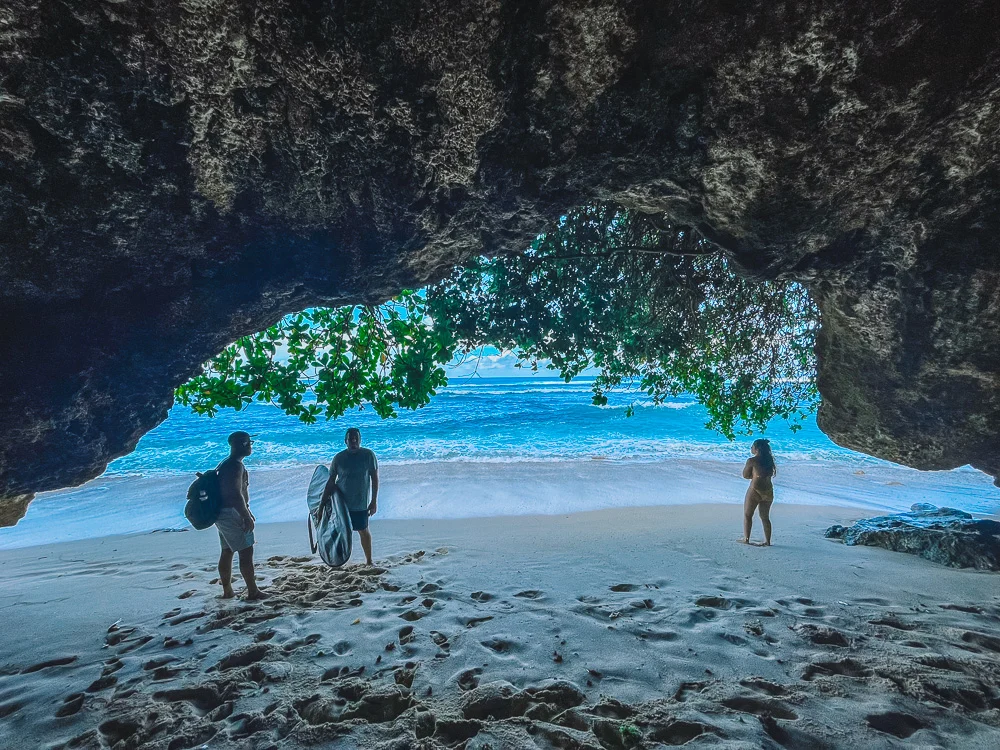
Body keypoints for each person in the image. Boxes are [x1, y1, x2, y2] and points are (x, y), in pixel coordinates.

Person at [215, 431, 265, 600]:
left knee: (227, 551)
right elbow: (236, 495)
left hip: (222, 513)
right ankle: (253, 591)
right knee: (246, 552)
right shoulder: (235, 466)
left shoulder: (226, 464)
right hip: (232, 513)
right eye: (249, 443)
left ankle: (228, 591)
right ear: (243, 444)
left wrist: (247, 511)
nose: (251, 446)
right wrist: (246, 516)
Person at [323, 427, 379, 565]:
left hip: (360, 502)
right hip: (341, 504)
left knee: (363, 530)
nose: (353, 440)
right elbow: (331, 482)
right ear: (345, 441)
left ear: (360, 440)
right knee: (338, 533)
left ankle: (369, 561)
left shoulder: (368, 455)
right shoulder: (339, 458)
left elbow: (375, 479)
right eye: (350, 438)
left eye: (356, 438)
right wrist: (322, 504)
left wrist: (373, 501)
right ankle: (337, 561)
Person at [742, 438, 776, 546]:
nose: (751, 448)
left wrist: (754, 475)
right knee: (765, 517)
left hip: (755, 491)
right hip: (768, 491)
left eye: (752, 447)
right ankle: (768, 541)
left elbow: (745, 475)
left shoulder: (752, 461)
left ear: (756, 449)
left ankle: (746, 539)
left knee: (748, 515)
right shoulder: (770, 460)